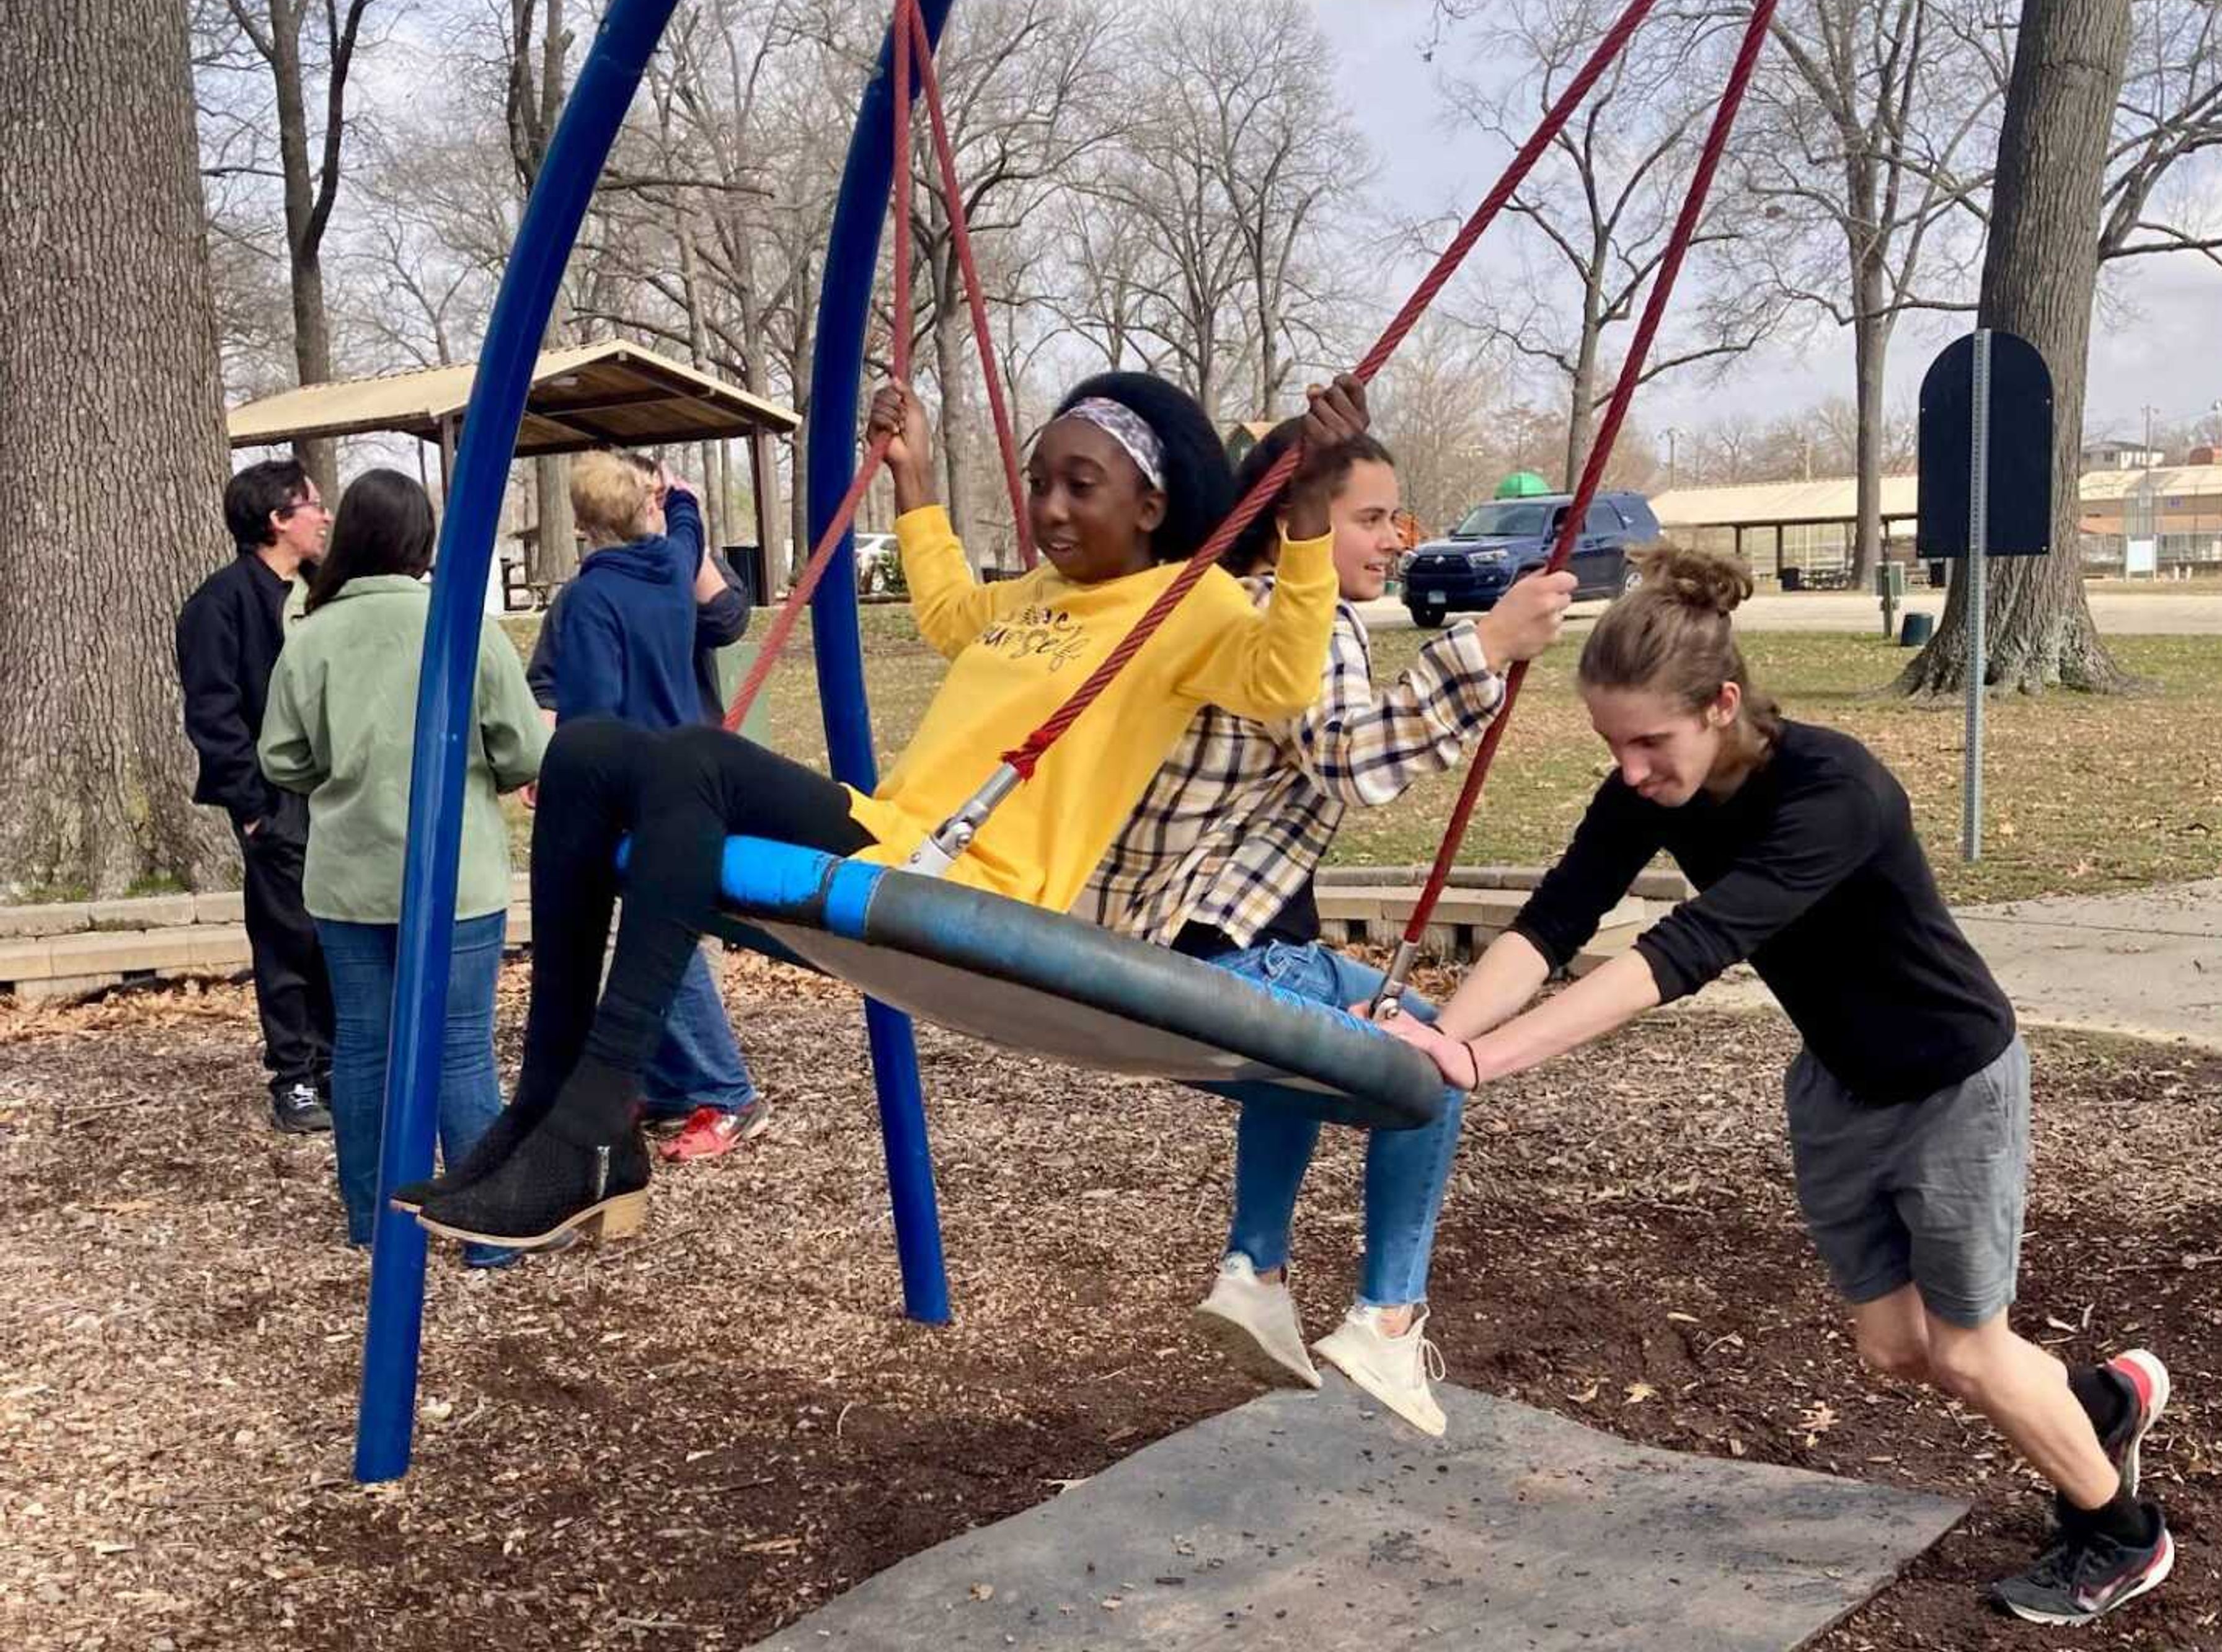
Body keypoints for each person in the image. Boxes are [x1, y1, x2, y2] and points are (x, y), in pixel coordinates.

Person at [398, 369, 1369, 1252]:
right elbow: (950, 614)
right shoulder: (1035, 595)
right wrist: (912, 478)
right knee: (590, 749)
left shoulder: (1185, 606)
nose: (1049, 509)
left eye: (1081, 486)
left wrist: (1312, 515)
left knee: (696, 761)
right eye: (1039, 484)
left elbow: (1284, 678)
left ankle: (595, 1122)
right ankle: (542, 1109)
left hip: (972, 882)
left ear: (1152, 505)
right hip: (894, 834)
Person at [1388, 544, 2174, 1626]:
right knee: (1898, 1352)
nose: (1631, 769)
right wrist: (1432, 1036)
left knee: (1971, 1350)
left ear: (1720, 704)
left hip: (1952, 1085)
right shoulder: (1650, 789)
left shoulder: (1833, 789)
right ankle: (2096, 1404)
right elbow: (1554, 921)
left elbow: (1685, 949)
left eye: (1651, 742)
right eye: (1612, 744)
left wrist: (1485, 1063)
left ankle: (2122, 1535)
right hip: (1841, 1088)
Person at [1085, 424, 1574, 1435]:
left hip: (1144, 959)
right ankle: (1387, 1319)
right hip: (1221, 956)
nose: (1395, 537)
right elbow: (1352, 757)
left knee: (1298, 1037)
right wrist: (1484, 647)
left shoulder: (1203, 610)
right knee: (1434, 1055)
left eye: (1395, 515)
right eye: (1367, 517)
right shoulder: (1294, 616)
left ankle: (1255, 1267)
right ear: (1296, 522)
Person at [259, 469, 547, 1270]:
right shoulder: (462, 624)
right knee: (459, 1046)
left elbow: (281, 756)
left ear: (349, 534)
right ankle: (487, 1228)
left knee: (364, 1046)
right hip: (456, 876)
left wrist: (341, 765)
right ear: (423, 541)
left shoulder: (311, 632)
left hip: (351, 877)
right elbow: (524, 748)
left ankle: (373, 1216)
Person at [531, 451, 769, 1167]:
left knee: (656, 932)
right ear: (646, 510)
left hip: (631, 784)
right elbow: (691, 524)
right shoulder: (669, 567)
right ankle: (668, 1083)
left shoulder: (585, 601)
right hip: (686, 771)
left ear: (581, 524)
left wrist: (570, 771)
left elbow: (596, 711)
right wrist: (680, 493)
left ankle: (728, 1091)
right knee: (655, 926)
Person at [175, 459, 337, 1134]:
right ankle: (294, 1077)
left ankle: (336, 1064)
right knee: (287, 936)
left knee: (337, 931)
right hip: (276, 799)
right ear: (278, 519)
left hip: (339, 794)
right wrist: (253, 808)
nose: (325, 516)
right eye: (313, 505)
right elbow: (214, 713)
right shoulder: (222, 603)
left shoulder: (325, 594)